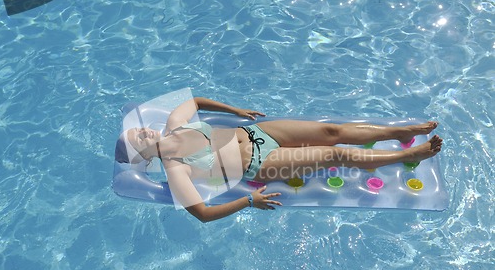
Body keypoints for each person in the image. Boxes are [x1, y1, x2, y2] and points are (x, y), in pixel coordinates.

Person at [115, 97, 442, 222]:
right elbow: (202, 213)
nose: (143, 131)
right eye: (138, 139)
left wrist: (236, 111)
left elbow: (196, 100)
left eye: (139, 130)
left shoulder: (175, 123)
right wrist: (248, 200)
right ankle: (410, 153)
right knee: (335, 154)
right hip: (261, 163)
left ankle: (397, 133)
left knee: (331, 131)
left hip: (259, 133)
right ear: (144, 156)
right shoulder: (176, 171)